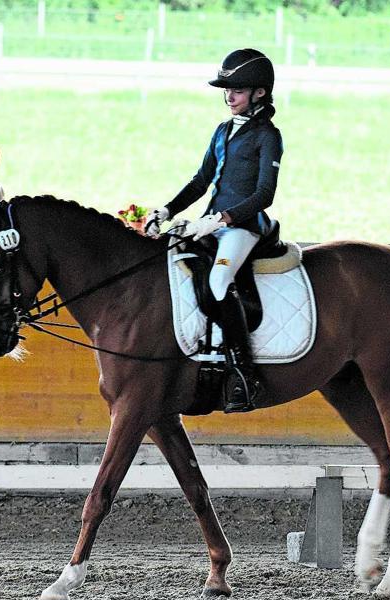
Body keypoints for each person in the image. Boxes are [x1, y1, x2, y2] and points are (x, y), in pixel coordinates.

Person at [144, 48, 283, 414]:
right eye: (227, 90)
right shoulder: (223, 130)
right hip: (210, 221)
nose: (229, 96)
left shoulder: (268, 136)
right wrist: (168, 210)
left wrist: (222, 219)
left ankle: (242, 371)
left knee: (220, 282)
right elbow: (202, 179)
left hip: (243, 226)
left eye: (237, 90)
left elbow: (264, 195)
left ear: (259, 93)